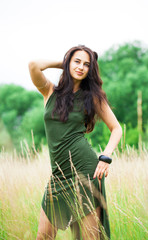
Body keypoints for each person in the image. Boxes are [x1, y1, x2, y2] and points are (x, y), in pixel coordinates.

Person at [28, 45, 122, 240]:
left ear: (90, 70)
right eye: (76, 61)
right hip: (58, 176)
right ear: (68, 62)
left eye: (87, 64)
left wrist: (105, 157)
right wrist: (64, 62)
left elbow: (117, 129)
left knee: (88, 237)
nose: (81, 67)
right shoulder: (49, 91)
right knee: (43, 236)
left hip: (86, 171)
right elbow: (34, 65)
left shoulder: (92, 97)